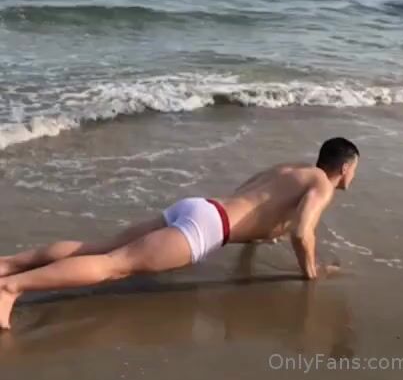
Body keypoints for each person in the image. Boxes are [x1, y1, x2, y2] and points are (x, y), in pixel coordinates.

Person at [0, 137, 359, 330]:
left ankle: (8, 265)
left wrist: (256, 237)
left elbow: (250, 198)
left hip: (200, 207)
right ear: (344, 168)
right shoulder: (321, 184)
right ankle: (12, 288)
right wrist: (311, 272)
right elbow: (302, 233)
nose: (353, 176)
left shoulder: (291, 168)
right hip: (208, 228)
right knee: (113, 265)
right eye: (354, 169)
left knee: (100, 247)